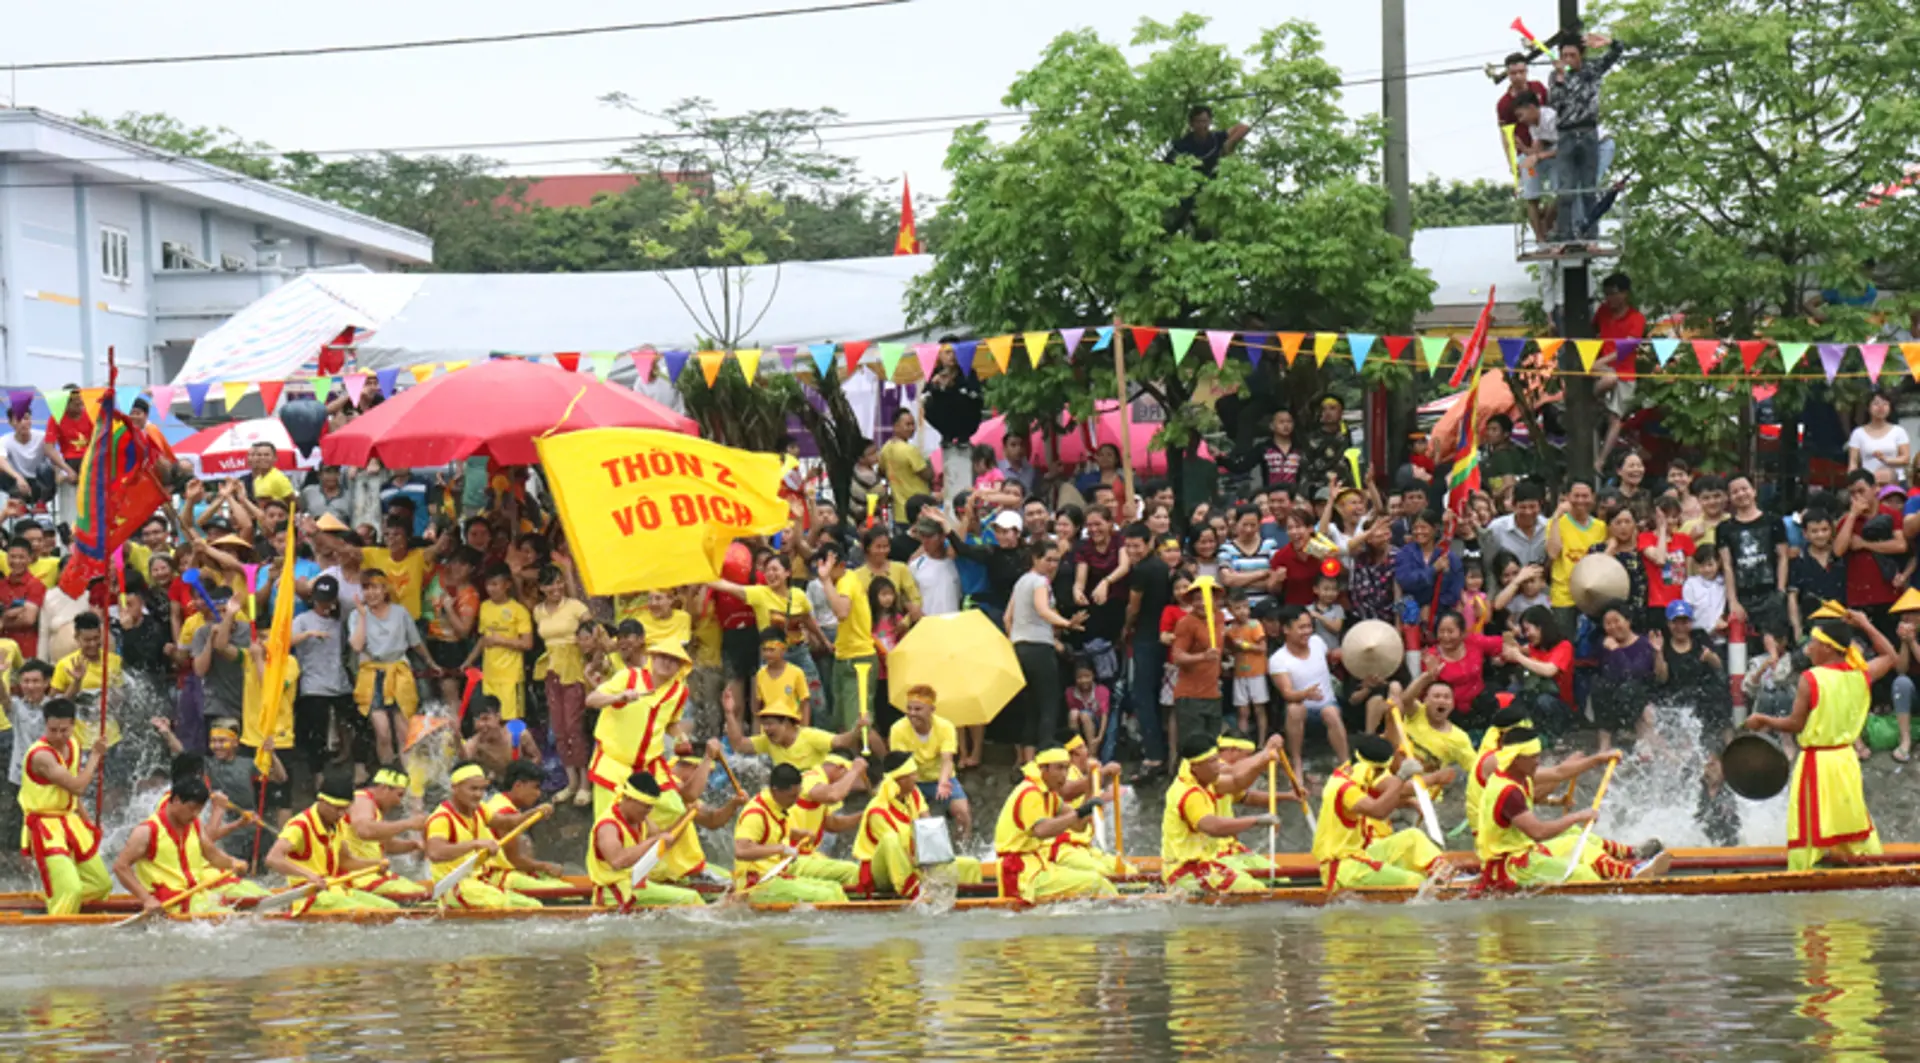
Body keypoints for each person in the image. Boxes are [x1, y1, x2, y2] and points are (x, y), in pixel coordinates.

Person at [1746, 612, 1891, 870]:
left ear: (1826, 647)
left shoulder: (1811, 679)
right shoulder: (1860, 674)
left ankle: (1802, 871)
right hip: (1846, 760)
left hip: (1817, 762)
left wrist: (1763, 719)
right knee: (1851, 816)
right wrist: (1866, 624)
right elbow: (1890, 656)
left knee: (1808, 823)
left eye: (1812, 642)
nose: (1807, 647)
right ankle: (1871, 863)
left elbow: (1795, 724)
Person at [1474, 727, 1666, 891]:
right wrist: (1577, 816)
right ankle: (1627, 879)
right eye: (1533, 757)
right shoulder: (1509, 792)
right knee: (1584, 873)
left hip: (1523, 855)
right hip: (1509, 869)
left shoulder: (1518, 775)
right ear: (1516, 759)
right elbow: (1538, 832)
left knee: (1576, 840)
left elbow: (1560, 772)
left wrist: (1597, 759)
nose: (1538, 761)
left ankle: (1630, 868)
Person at [1311, 734, 1451, 889]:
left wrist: (1409, 793)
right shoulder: (1345, 789)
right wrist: (1403, 777)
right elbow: (1379, 810)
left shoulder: (1354, 770)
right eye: (1382, 771)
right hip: (1343, 868)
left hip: (1359, 854)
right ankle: (1437, 890)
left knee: (1413, 836)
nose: (1383, 775)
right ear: (1375, 767)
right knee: (1416, 881)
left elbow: (1390, 790)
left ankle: (1443, 872)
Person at [113, 774, 256, 916]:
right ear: (175, 800)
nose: (195, 814)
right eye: (192, 808)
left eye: (199, 810)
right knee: (229, 919)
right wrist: (147, 899)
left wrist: (233, 862)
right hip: (170, 900)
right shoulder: (146, 831)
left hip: (195, 893)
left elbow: (213, 856)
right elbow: (120, 867)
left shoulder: (195, 825)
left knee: (255, 893)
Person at [19, 698, 111, 914]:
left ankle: (60, 899)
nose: (59, 736)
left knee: (102, 884)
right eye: (53, 730)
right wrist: (96, 755)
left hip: (70, 821)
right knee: (71, 889)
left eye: (64, 730)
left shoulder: (74, 745)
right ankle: (61, 909)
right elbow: (78, 787)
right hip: (45, 827)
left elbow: (72, 795)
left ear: (73, 725)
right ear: (45, 725)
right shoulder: (41, 755)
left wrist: (88, 822)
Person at [265, 768, 401, 913]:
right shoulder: (299, 826)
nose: (341, 814)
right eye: (337, 809)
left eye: (345, 809)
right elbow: (273, 858)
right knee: (369, 913)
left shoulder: (338, 824)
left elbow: (345, 861)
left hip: (335, 890)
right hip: (310, 896)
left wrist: (374, 864)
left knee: (392, 909)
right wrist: (309, 876)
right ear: (322, 801)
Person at [992, 746, 1118, 901]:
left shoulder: (1050, 795)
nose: (1064, 775)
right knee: (1095, 881)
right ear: (1043, 769)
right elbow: (1042, 830)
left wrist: (1090, 792)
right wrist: (1078, 812)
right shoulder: (1030, 793)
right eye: (1059, 768)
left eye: (1066, 768)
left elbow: (1079, 826)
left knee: (1097, 879)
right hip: (1019, 873)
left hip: (1037, 866)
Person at [584, 639, 691, 821]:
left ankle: (650, 846)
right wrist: (619, 697)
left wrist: (681, 737)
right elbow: (591, 699)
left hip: (648, 768)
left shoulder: (679, 691)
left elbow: (671, 722)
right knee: (609, 823)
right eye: (662, 656)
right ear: (653, 658)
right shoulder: (629, 677)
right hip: (613, 764)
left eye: (674, 660)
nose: (667, 662)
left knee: (675, 810)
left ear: (681, 666)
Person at [854, 753, 987, 898]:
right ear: (901, 779)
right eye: (913, 775)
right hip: (882, 871)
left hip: (913, 862)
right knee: (891, 839)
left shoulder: (913, 794)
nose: (917, 779)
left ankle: (968, 903)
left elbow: (929, 828)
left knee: (970, 865)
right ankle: (911, 891)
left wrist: (941, 862)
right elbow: (896, 852)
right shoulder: (877, 812)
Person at [1158, 738, 1279, 894]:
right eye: (1212, 762)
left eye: (1217, 760)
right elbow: (1214, 827)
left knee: (1262, 884)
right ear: (1195, 766)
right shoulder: (1189, 794)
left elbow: (1236, 783)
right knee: (1255, 890)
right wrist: (1256, 820)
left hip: (1203, 865)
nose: (1218, 767)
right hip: (1184, 872)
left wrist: (1260, 766)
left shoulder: (1205, 781)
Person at [424, 761, 541, 909]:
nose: (479, 794)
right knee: (509, 905)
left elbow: (507, 822)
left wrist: (534, 812)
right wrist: (475, 844)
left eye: (482, 789)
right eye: (473, 789)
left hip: (478, 881)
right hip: (454, 888)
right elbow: (435, 852)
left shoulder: (479, 809)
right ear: (455, 788)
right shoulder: (441, 818)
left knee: (533, 905)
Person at [1007, 541, 1083, 763]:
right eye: (1048, 560)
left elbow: (1007, 618)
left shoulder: (1021, 582)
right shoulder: (1040, 582)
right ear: (1035, 558)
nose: (1052, 565)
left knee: (1030, 708)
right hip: (1040, 647)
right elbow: (1042, 609)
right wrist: (1067, 623)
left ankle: (1028, 763)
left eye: (1056, 560)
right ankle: (1045, 761)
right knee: (1049, 705)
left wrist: (1014, 640)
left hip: (1019, 647)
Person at [732, 764, 851, 904]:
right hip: (757, 883)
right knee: (827, 896)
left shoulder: (776, 805)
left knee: (835, 888)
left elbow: (770, 832)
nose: (796, 801)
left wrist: (798, 834)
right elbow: (741, 850)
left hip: (776, 873)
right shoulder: (755, 814)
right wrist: (782, 849)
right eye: (792, 796)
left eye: (798, 795)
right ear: (776, 791)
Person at [587, 771, 704, 908]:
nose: (648, 812)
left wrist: (686, 817)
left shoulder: (642, 820)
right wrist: (653, 841)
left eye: (651, 807)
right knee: (691, 898)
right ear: (629, 798)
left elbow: (665, 839)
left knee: (689, 896)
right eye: (646, 807)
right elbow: (617, 861)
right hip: (615, 894)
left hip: (635, 886)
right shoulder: (608, 827)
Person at [1547, 31, 1624, 240]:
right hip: (1566, 133)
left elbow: (1617, 51)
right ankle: (1565, 235)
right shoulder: (1555, 76)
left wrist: (1609, 41)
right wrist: (1561, 79)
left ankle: (1591, 235)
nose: (1568, 60)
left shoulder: (1592, 69)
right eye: (1564, 55)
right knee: (1566, 189)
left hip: (1589, 131)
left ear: (1581, 55)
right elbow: (1555, 103)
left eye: (1572, 55)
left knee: (1589, 188)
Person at [350, 570, 430, 767]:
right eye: (366, 588)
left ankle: (411, 783)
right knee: (382, 732)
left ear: (385, 589)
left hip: (398, 673)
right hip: (372, 674)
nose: (371, 593)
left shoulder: (400, 612)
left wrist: (431, 662)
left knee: (403, 732)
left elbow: (415, 643)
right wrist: (362, 616)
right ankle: (388, 775)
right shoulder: (357, 614)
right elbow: (357, 646)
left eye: (375, 587)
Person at [531, 565, 593, 802]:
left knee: (574, 727)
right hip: (551, 671)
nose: (556, 588)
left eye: (559, 582)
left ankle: (585, 783)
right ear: (541, 588)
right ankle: (571, 781)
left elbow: (592, 634)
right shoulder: (538, 611)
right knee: (559, 728)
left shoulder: (577, 607)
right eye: (550, 584)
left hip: (575, 670)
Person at [1268, 604, 1348, 778]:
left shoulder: (1318, 642)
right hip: (1302, 709)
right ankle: (1297, 761)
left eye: (1309, 626)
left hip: (1328, 705)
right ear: (1286, 629)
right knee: (1294, 708)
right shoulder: (1278, 659)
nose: (1307, 631)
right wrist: (1305, 694)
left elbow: (1328, 657)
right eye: (1301, 627)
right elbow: (1287, 693)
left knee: (1331, 712)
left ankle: (1345, 763)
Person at [887, 684, 970, 845]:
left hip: (939, 777)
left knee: (962, 811)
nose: (912, 714)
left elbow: (947, 760)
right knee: (916, 818)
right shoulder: (898, 729)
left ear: (931, 709)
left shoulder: (945, 727)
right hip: (911, 779)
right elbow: (902, 766)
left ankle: (964, 844)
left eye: (918, 709)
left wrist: (943, 782)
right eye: (909, 709)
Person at [1720, 474, 1790, 644]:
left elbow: (1783, 557)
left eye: (1744, 489)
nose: (1741, 494)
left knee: (1776, 645)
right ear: (1730, 497)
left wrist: (1780, 591)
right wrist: (1733, 601)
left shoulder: (1773, 521)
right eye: (1735, 492)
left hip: (1770, 593)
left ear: (1754, 491)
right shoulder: (1724, 529)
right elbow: (1727, 565)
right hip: (1743, 597)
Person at [343, 767, 430, 901]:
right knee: (422, 896)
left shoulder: (375, 807)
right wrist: (408, 824)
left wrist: (415, 845)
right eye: (399, 795)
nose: (399, 802)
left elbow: (386, 845)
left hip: (373, 874)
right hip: (356, 877)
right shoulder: (361, 800)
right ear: (384, 788)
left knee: (425, 891)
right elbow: (365, 831)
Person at [478, 761, 565, 894]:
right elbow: (514, 860)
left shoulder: (497, 800)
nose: (538, 794)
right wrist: (546, 866)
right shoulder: (506, 811)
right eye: (535, 787)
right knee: (565, 890)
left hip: (495, 872)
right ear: (518, 785)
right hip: (496, 876)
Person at [919, 346, 983, 504]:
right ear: (939, 354)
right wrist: (937, 386)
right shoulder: (934, 373)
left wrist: (956, 388)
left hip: (965, 420)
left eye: (955, 352)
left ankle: (962, 437)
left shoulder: (968, 373)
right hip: (944, 421)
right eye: (947, 352)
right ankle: (947, 436)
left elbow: (976, 398)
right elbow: (924, 398)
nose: (952, 356)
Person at [469, 564, 533, 723]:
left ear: (507, 584)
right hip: (489, 675)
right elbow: (483, 639)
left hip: (510, 676)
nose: (491, 589)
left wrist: (501, 640)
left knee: (511, 721)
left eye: (495, 584)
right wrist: (467, 662)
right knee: (490, 720)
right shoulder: (484, 607)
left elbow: (528, 644)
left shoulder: (519, 610)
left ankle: (516, 748)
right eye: (488, 585)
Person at [1546, 480, 1606, 633]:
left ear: (1592, 498)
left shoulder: (1601, 527)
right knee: (1565, 645)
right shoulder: (1556, 523)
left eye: (1585, 496)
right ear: (1567, 497)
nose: (1580, 500)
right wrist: (1557, 516)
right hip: (1564, 596)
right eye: (1576, 496)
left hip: (1593, 596)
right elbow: (1553, 553)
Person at [1788, 506, 1846, 640]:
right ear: (1805, 534)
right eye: (1814, 531)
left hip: (1843, 623)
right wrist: (1797, 629)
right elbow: (1793, 596)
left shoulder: (1841, 556)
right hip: (1812, 628)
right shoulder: (1798, 560)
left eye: (1824, 530)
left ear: (1831, 531)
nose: (1820, 535)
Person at [1510, 91, 1560, 243]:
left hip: (1556, 157)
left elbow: (1567, 147)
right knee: (1531, 192)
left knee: (1561, 192)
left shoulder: (1552, 118)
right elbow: (1535, 151)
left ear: (1532, 108)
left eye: (1521, 115)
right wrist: (1525, 150)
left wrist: (1538, 156)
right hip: (1537, 163)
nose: (1521, 120)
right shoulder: (1533, 127)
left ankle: (1548, 221)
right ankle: (1539, 236)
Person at [878, 409, 931, 525]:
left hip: (899, 511)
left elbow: (880, 471)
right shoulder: (910, 450)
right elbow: (928, 475)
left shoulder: (885, 448)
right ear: (896, 426)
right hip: (918, 510)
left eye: (913, 424)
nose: (912, 428)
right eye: (907, 424)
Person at [1849, 390, 1909, 483]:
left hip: (1896, 481)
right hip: (1869, 482)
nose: (1881, 407)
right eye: (1876, 404)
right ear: (1868, 407)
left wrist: (1886, 460)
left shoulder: (1899, 431)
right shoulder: (1858, 433)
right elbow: (1853, 463)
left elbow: (1905, 459)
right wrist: (1852, 480)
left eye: (1885, 404)